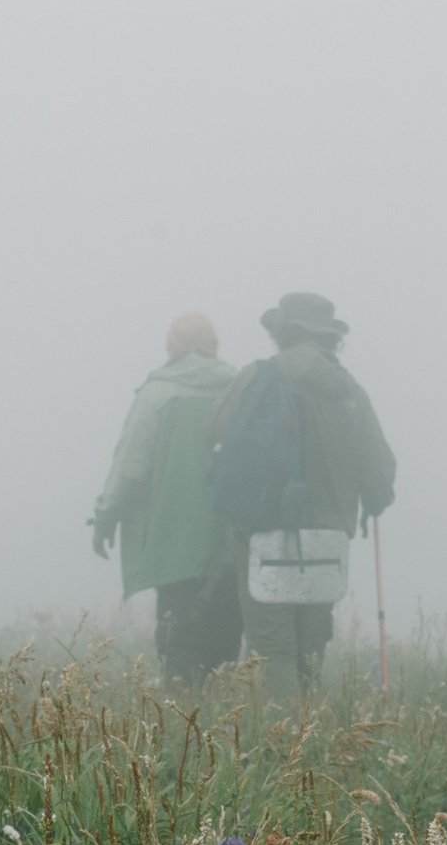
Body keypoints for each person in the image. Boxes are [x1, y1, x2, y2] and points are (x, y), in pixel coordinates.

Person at [207, 292, 396, 697]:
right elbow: (380, 474)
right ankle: (310, 740)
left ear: (282, 333)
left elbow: (215, 432)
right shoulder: (349, 392)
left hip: (264, 532)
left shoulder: (255, 376)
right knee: (311, 648)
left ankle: (281, 747)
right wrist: (371, 499)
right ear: (330, 338)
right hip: (328, 539)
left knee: (272, 649)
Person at [91, 312, 241, 686]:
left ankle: (181, 730)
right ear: (214, 344)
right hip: (234, 542)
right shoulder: (239, 389)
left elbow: (131, 467)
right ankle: (222, 734)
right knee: (223, 653)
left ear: (171, 345)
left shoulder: (157, 393)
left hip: (175, 545)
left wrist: (105, 518)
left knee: (179, 649)